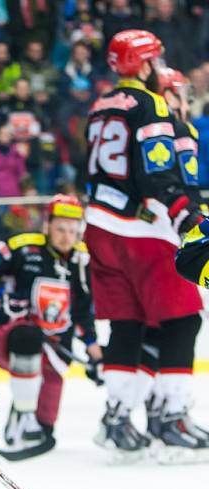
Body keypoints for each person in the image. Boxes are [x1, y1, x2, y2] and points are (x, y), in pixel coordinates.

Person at [83, 30, 204, 457]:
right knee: (183, 320)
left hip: (98, 226)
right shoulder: (153, 105)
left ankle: (117, 417)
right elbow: (160, 175)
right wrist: (190, 218)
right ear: (147, 64)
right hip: (141, 230)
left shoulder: (99, 104)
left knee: (129, 325)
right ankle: (169, 416)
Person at [0, 195, 101, 460]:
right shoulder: (20, 245)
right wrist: (2, 294)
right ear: (47, 225)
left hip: (56, 344)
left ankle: (29, 416)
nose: (67, 236)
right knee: (28, 337)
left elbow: (83, 310)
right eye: (61, 229)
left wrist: (92, 347)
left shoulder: (82, 260)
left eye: (73, 230)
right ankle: (25, 416)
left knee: (46, 429)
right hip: (12, 334)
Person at [139, 67, 209, 458]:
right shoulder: (172, 129)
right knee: (183, 321)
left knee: (161, 325)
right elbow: (177, 188)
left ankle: (159, 411)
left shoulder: (149, 125)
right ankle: (171, 415)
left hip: (154, 232)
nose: (185, 96)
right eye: (178, 91)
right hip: (168, 234)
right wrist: (197, 222)